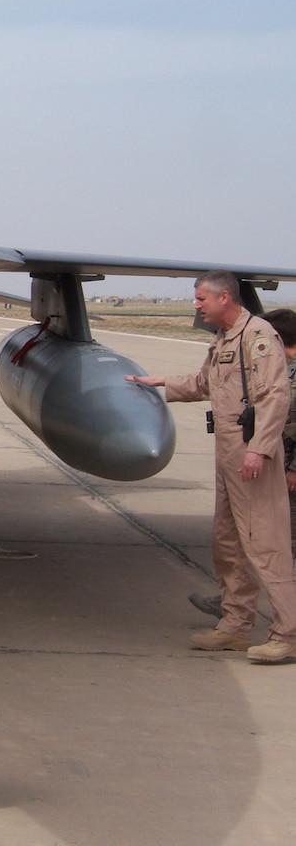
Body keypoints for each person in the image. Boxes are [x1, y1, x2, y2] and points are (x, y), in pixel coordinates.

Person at [127, 271, 296, 664]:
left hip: (252, 456)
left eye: (202, 298)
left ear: (224, 297)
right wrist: (161, 383)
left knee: (264, 545)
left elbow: (275, 397)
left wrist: (260, 449)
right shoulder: (225, 340)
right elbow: (206, 383)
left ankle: (286, 634)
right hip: (229, 457)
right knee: (229, 543)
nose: (196, 305)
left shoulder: (258, 337)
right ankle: (236, 626)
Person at [189, 306, 296, 620]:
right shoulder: (284, 367)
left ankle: (284, 622)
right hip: (279, 463)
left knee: (276, 545)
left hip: (284, 469)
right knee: (251, 538)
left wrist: (293, 469)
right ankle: (234, 604)